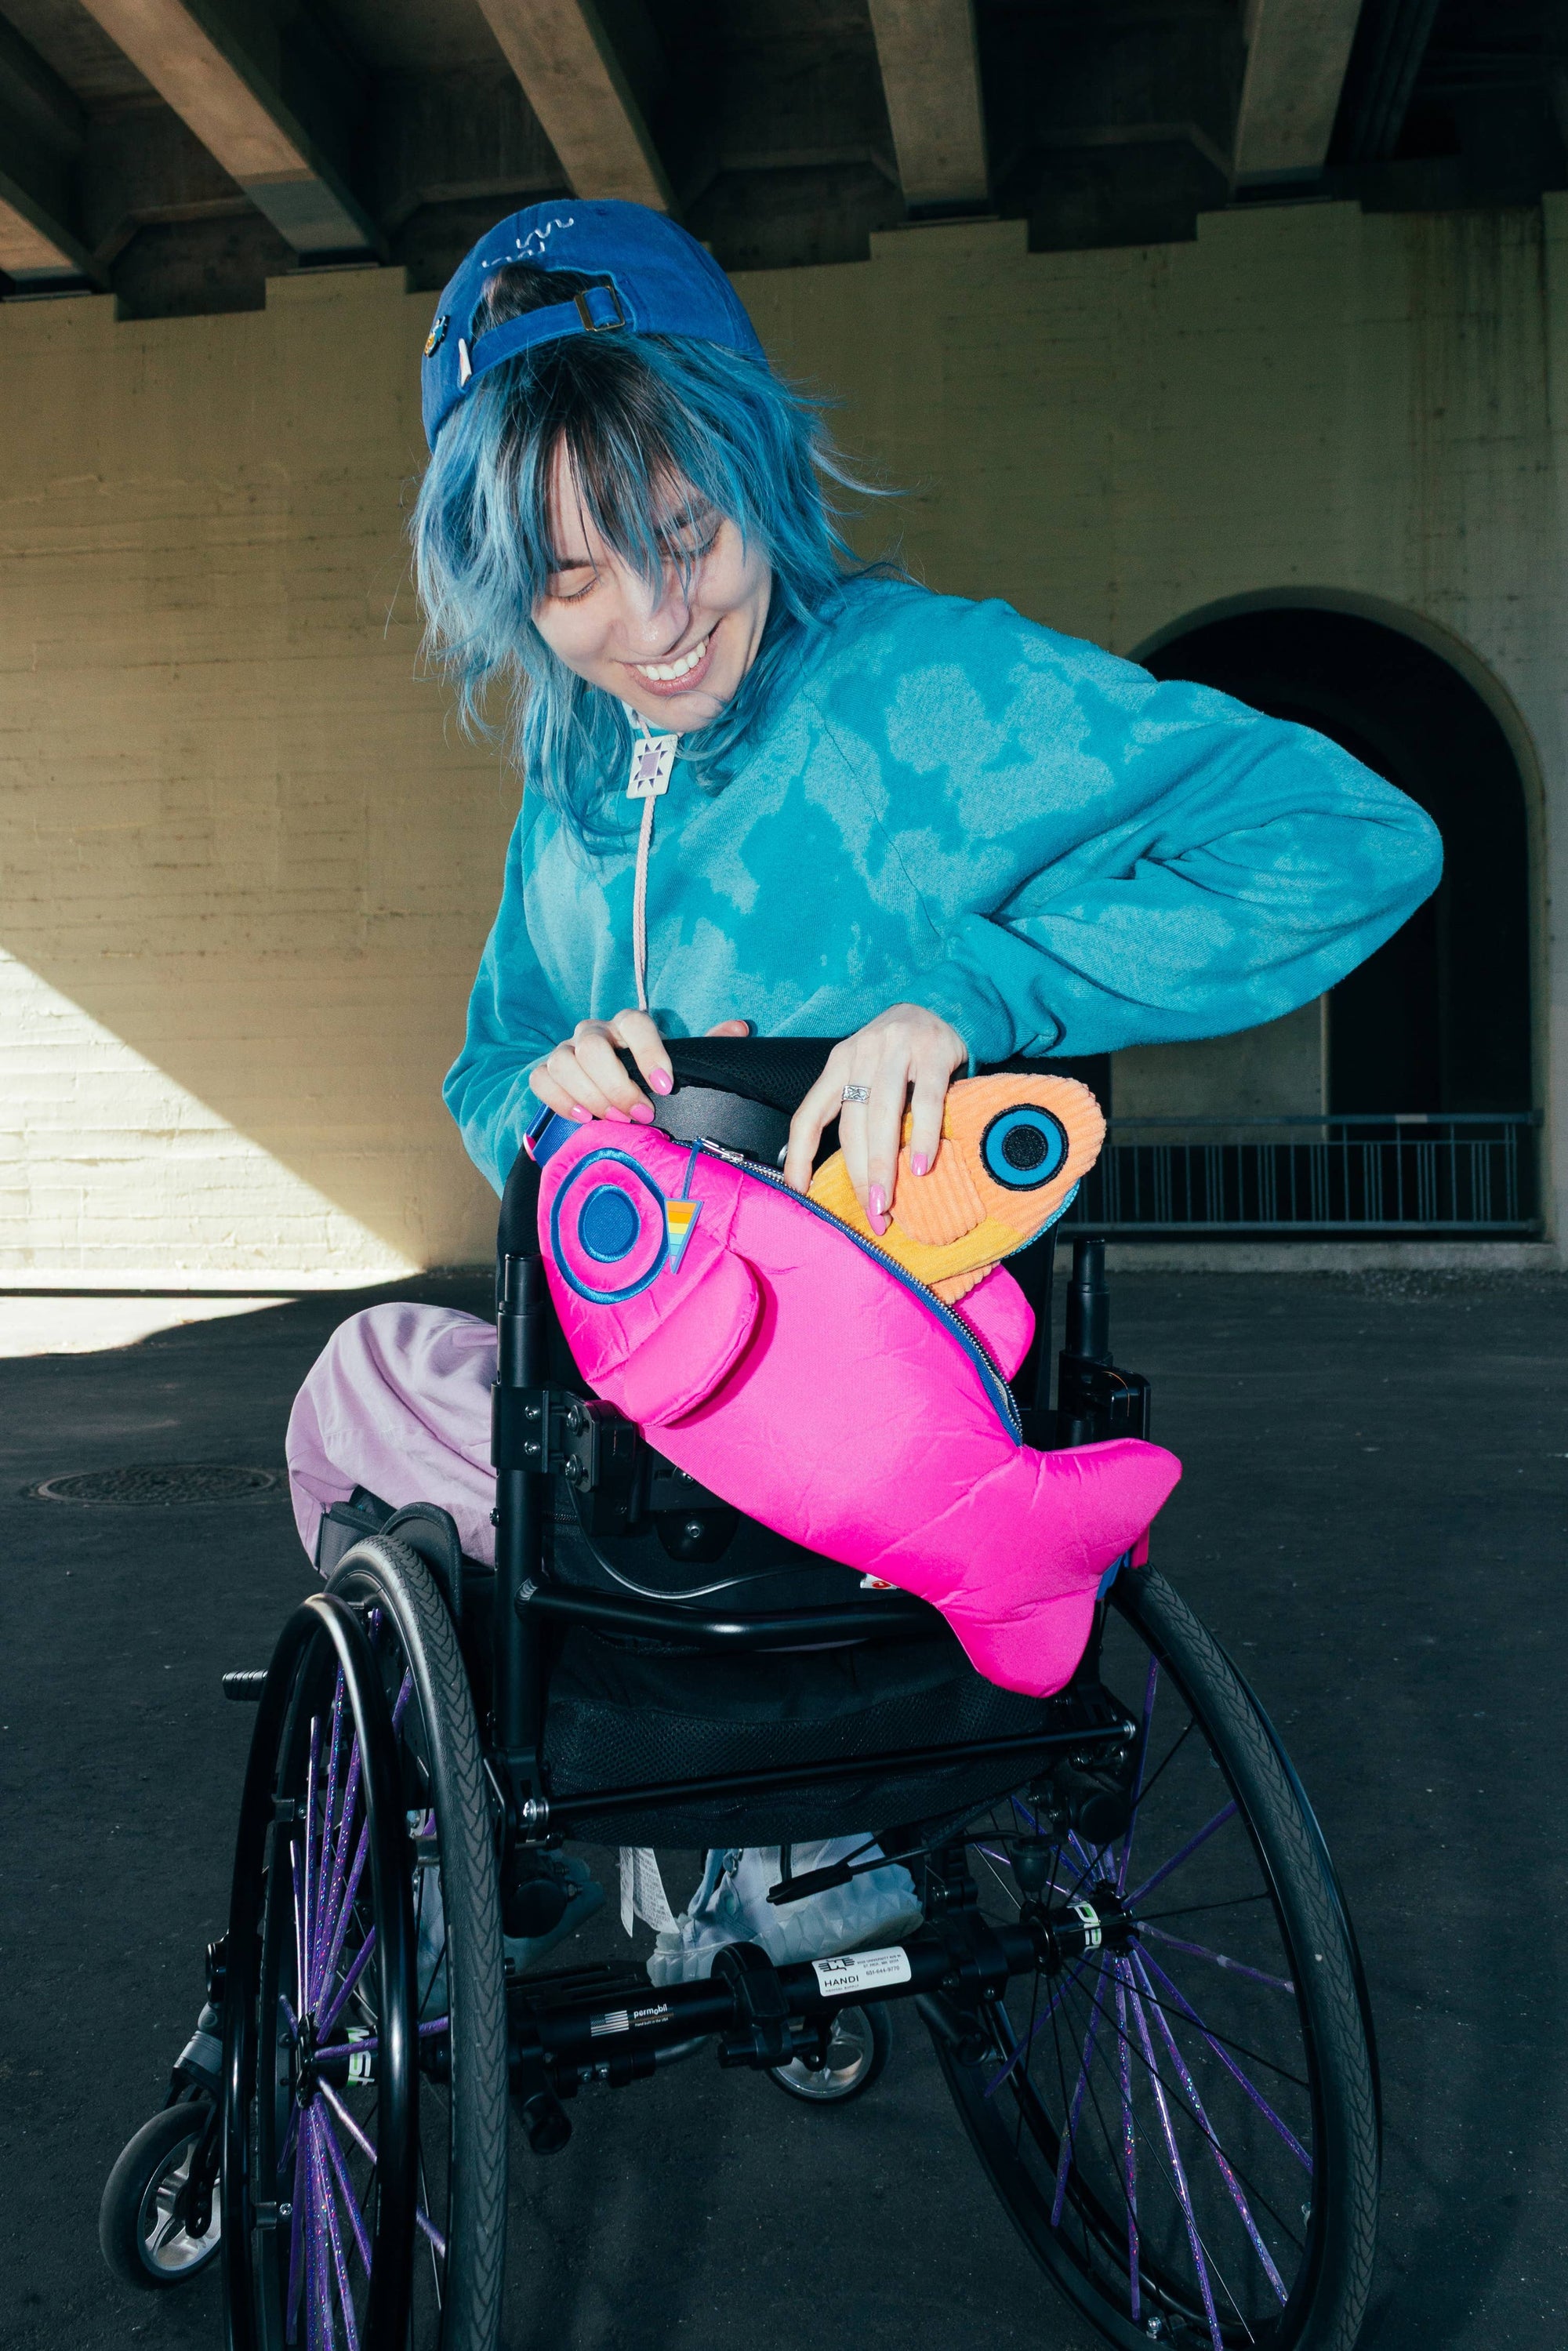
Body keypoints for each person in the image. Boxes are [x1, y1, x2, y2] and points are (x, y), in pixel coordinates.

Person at [285, 198, 1442, 1978]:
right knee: (392, 1377)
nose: (656, 624)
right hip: (653, 1433)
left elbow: (1352, 838)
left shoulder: (930, 687)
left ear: (758, 462)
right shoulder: (571, 770)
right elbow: (486, 1064)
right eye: (572, 578)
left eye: (687, 532)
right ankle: (752, 1833)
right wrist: (548, 1092)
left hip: (878, 1414)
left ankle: (606, 1835)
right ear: (500, 583)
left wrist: (982, 990)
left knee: (363, 1389)